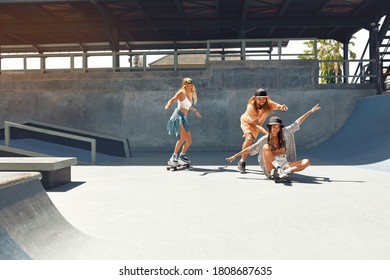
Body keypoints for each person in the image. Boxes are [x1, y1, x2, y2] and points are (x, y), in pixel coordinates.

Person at [227, 104, 321, 180]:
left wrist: (310, 112)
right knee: (265, 147)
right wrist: (236, 155)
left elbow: (297, 122)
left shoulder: (285, 132)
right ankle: (277, 170)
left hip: (285, 164)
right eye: (273, 127)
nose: (275, 129)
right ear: (270, 127)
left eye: (278, 127)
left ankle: (283, 172)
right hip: (271, 167)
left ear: (280, 127)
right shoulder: (266, 138)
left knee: (306, 162)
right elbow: (251, 148)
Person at [237, 88, 288, 173]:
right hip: (247, 122)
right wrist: (268, 134)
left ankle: (248, 135)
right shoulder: (251, 106)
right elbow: (256, 125)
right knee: (249, 139)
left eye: (264, 98)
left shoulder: (268, 103)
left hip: (257, 125)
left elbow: (278, 106)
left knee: (252, 141)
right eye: (259, 99)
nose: (262, 101)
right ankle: (242, 162)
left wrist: (282, 107)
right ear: (254, 98)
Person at [165, 77, 201, 166]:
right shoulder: (181, 93)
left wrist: (195, 110)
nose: (189, 87)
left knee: (189, 140)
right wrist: (168, 104)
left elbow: (187, 106)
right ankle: (174, 157)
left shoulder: (189, 94)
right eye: (187, 85)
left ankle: (182, 155)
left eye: (190, 85)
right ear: (184, 85)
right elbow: (172, 99)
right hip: (178, 116)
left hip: (184, 117)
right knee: (183, 137)